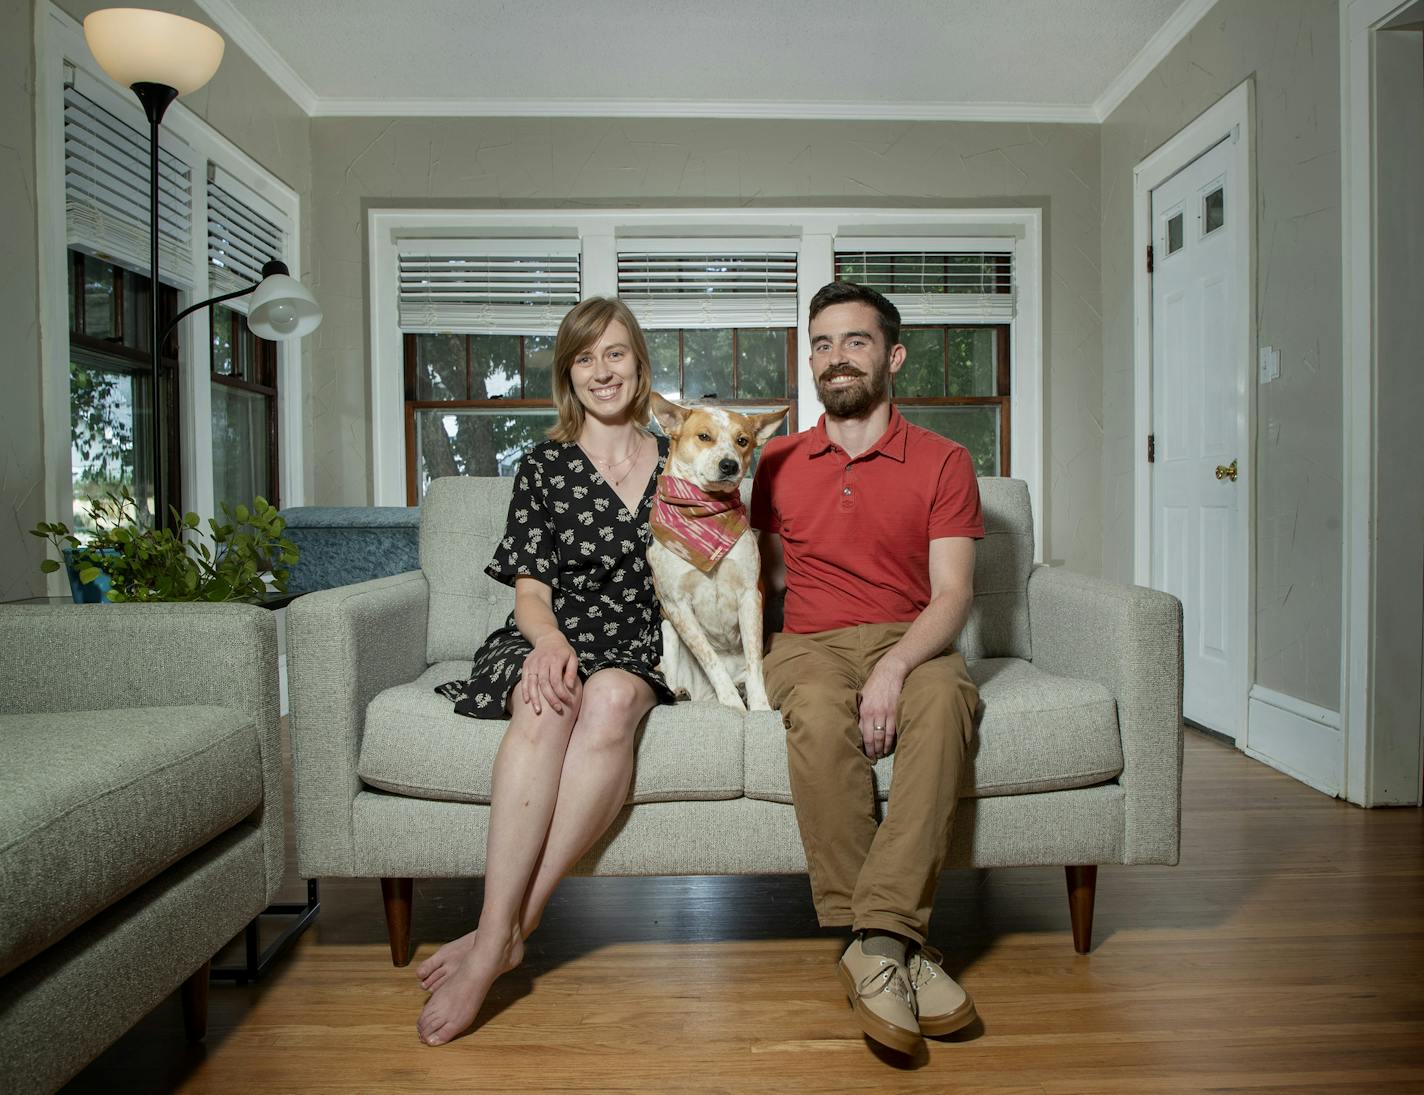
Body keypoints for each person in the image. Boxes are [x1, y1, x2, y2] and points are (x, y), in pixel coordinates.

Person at [420, 297, 675, 1047]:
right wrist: (550, 641)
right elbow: (530, 592)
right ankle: (498, 932)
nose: (603, 370)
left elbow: (709, 570)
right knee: (547, 700)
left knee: (611, 698)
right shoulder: (543, 464)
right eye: (586, 357)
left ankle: (504, 932)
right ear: (569, 373)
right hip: (548, 632)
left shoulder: (680, 457)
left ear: (638, 362)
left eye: (616, 353)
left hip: (635, 644)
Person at [750, 281, 984, 1055]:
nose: (835, 357)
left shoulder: (945, 460)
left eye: (854, 340)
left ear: (893, 355)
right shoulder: (777, 460)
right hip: (809, 642)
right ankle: (899, 953)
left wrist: (895, 667)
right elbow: (758, 579)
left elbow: (953, 593)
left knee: (947, 697)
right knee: (816, 713)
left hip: (909, 636)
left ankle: (878, 948)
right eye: (821, 343)